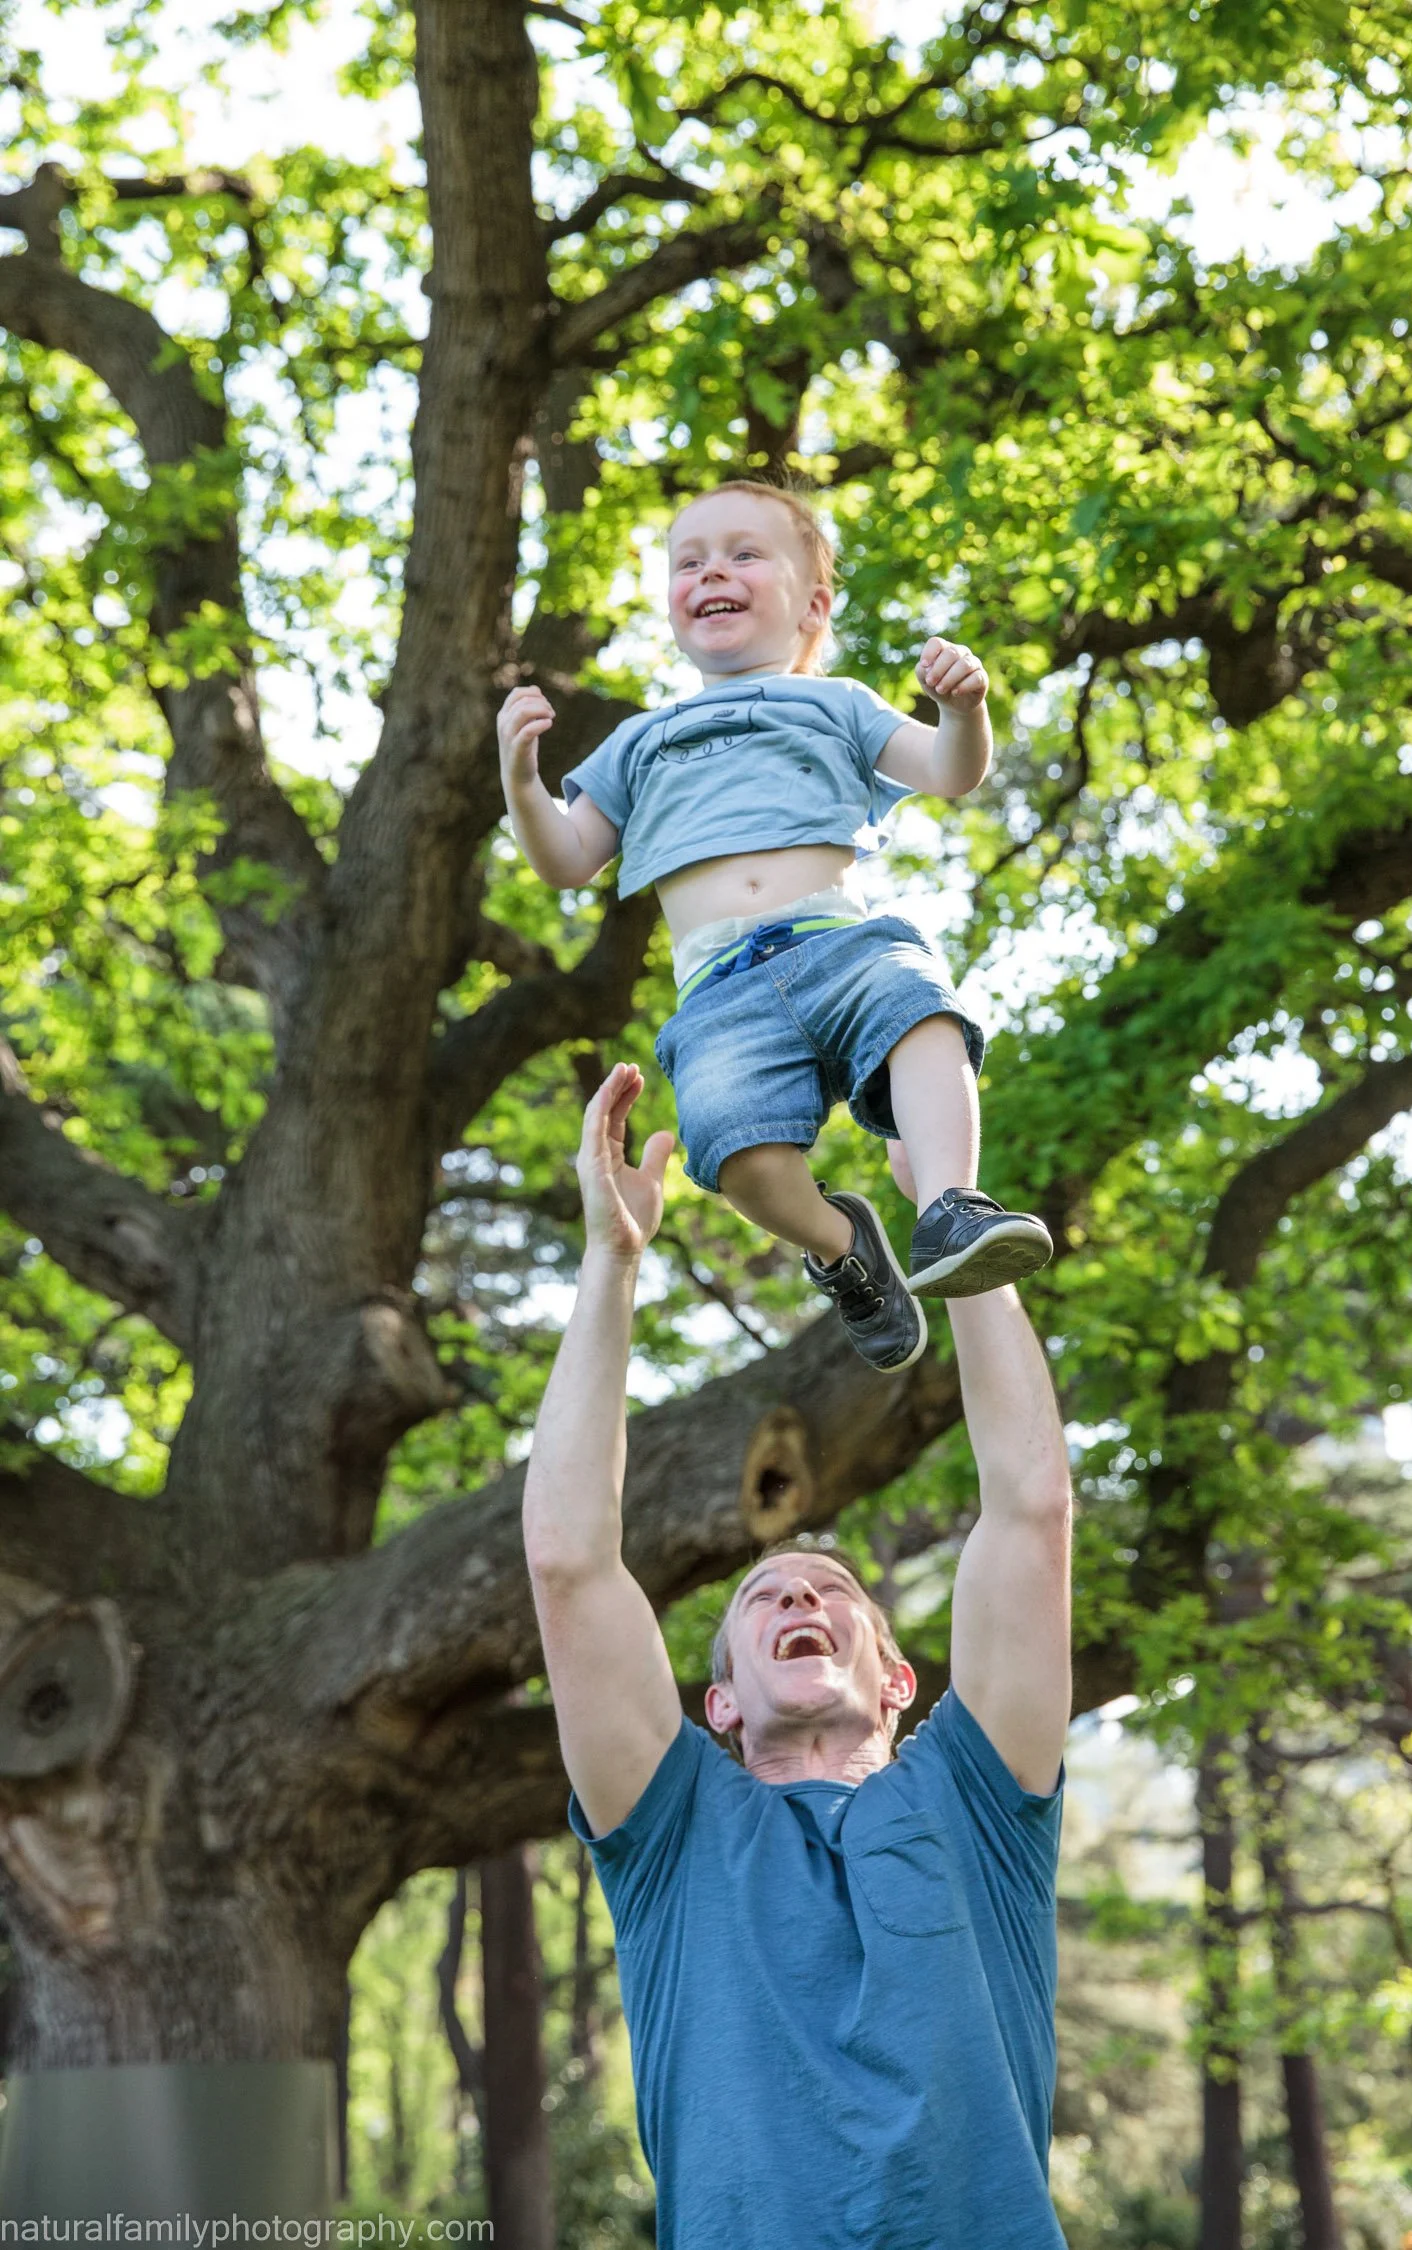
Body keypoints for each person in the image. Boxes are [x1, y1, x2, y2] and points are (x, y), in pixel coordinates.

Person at [524, 1061, 1074, 2250]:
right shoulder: (672, 1834)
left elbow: (1029, 1513)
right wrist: (612, 1263)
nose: (797, 1595)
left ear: (896, 1683)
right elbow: (570, 1563)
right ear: (719, 1703)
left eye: (832, 1592)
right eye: (764, 1597)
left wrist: (952, 1223)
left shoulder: (981, 1803)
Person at [497, 480, 1052, 1377]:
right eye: (690, 561)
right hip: (720, 996)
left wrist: (964, 711)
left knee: (920, 1007)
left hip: (838, 944)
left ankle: (953, 1204)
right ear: (674, 605)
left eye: (745, 554)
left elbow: (951, 772)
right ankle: (843, 1247)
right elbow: (566, 858)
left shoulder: (838, 702)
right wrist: (522, 780)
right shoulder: (640, 741)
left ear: (813, 606)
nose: (713, 570)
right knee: (735, 1156)